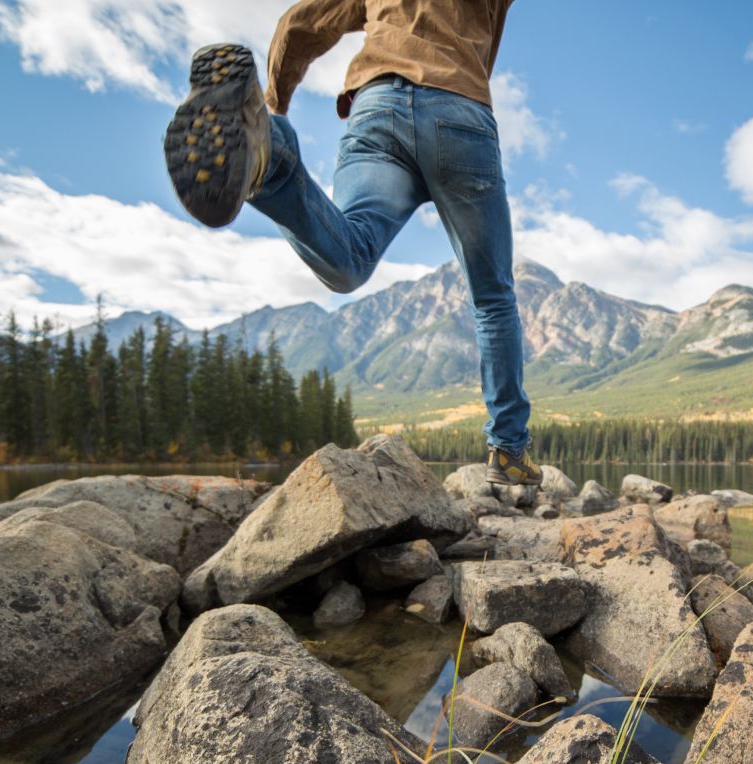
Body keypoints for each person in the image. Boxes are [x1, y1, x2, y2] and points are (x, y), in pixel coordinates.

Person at [162, 1, 542, 487]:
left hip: (376, 107)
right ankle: (510, 451)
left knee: (350, 258)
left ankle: (269, 152)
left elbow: (297, 24)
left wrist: (272, 106)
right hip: (459, 109)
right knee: (492, 298)